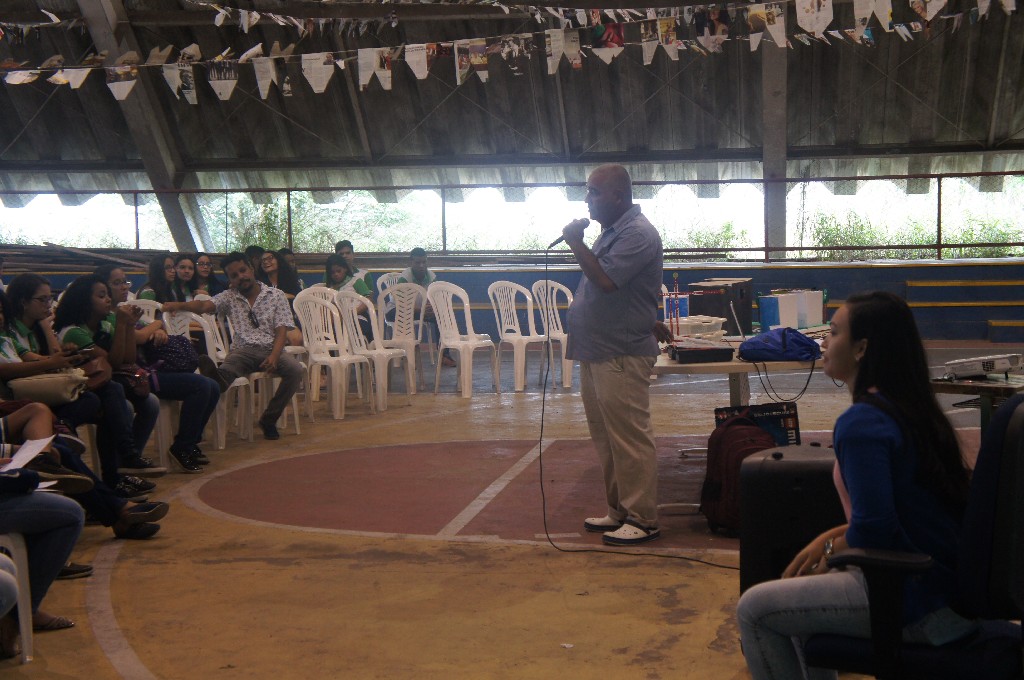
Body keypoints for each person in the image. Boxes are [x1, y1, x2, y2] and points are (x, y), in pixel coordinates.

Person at [736, 292, 976, 680]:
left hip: (915, 601)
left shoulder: (862, 423)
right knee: (798, 605)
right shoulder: (908, 408)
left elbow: (876, 528)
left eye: (833, 333)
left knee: (755, 610)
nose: (823, 342)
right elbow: (895, 515)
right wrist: (830, 537)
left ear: (862, 348)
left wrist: (830, 548)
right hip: (950, 593)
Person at [562, 163, 668, 546]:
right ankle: (619, 510)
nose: (587, 199)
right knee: (606, 436)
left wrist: (575, 242)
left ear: (618, 196)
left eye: (593, 192)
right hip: (597, 349)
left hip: (620, 352)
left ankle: (643, 518)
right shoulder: (612, 232)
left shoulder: (637, 233)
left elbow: (606, 282)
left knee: (629, 436)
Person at [162, 253, 303, 441]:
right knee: (229, 369)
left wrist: (275, 356)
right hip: (242, 351)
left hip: (271, 349)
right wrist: (179, 305)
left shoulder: (275, 295)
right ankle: (219, 378)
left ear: (251, 269)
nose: (240, 277)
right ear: (229, 279)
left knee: (295, 370)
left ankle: (269, 419)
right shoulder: (229, 297)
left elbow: (281, 329)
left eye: (243, 271)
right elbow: (204, 305)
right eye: (234, 275)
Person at [96, 265, 221, 474]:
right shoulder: (111, 317)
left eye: (125, 282)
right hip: (138, 375)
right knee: (200, 385)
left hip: (150, 368)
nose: (124, 287)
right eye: (117, 283)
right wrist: (154, 328)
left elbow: (156, 325)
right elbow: (140, 336)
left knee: (213, 386)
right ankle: (181, 446)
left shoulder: (124, 311)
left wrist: (157, 328)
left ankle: (189, 442)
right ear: (103, 287)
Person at [52, 276, 161, 495]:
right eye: (101, 296)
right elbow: (113, 363)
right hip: (84, 388)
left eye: (107, 295)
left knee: (150, 403)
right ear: (85, 301)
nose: (108, 300)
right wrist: (122, 324)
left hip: (108, 384)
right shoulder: (74, 332)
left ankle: (127, 464)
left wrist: (128, 325)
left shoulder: (106, 321)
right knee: (122, 405)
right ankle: (119, 469)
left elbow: (128, 359)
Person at [396, 248, 454, 367]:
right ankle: (406, 355)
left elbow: (436, 297)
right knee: (404, 316)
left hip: (422, 310)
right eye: (418, 262)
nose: (421, 266)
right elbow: (401, 305)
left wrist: (432, 307)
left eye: (424, 262)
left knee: (441, 316)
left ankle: (444, 355)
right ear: (411, 263)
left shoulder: (432, 277)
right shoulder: (404, 278)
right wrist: (421, 310)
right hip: (400, 311)